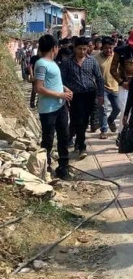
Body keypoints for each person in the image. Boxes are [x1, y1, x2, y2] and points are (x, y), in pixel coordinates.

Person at [34, 35, 73, 180]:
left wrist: (65, 89)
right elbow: (39, 88)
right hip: (48, 109)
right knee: (48, 140)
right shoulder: (41, 64)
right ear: (54, 48)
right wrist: (60, 95)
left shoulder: (52, 62)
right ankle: (46, 166)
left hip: (60, 106)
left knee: (64, 137)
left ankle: (63, 166)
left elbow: (54, 81)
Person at [60, 37, 104, 160]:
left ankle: (78, 141)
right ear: (74, 48)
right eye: (80, 49)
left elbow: (99, 78)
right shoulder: (67, 62)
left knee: (84, 121)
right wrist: (64, 92)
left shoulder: (92, 61)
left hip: (90, 94)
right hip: (75, 96)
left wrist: (101, 95)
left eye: (85, 49)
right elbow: (62, 80)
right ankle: (82, 146)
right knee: (78, 120)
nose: (82, 52)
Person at [95, 38, 121, 139]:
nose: (108, 50)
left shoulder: (116, 57)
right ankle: (104, 130)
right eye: (106, 48)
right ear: (102, 48)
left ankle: (111, 119)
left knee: (118, 108)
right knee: (103, 108)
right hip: (102, 88)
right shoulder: (96, 58)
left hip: (115, 86)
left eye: (110, 48)